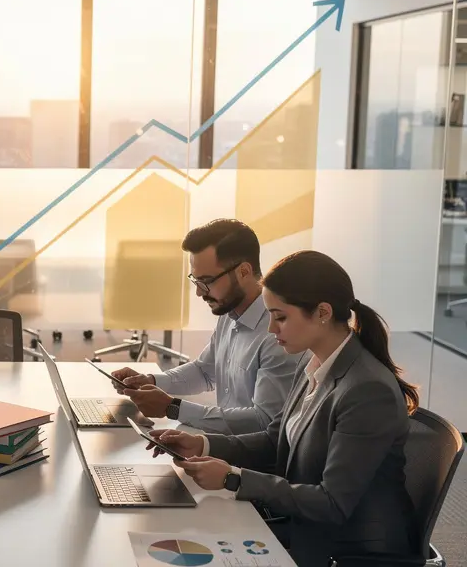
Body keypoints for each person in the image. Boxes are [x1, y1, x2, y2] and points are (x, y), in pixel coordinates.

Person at [149, 250, 420, 566]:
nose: (271, 329)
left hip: (349, 550)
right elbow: (275, 440)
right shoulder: (313, 361)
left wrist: (232, 478)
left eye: (280, 317)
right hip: (304, 527)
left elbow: (331, 503)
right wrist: (203, 444)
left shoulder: (367, 390)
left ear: (321, 312)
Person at [110, 219, 304, 434]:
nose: (200, 292)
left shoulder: (278, 334)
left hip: (249, 459)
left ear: (244, 271)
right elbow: (205, 371)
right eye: (196, 281)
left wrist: (173, 408)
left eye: (207, 281)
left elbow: (265, 422)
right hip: (221, 445)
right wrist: (151, 381)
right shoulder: (229, 312)